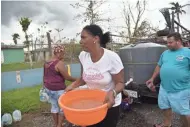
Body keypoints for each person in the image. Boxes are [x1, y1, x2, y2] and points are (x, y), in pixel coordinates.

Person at [66, 24, 125, 127]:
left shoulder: (112, 57)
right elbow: (84, 77)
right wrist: (73, 86)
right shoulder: (83, 56)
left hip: (109, 105)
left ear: (96, 39)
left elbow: (120, 83)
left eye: (83, 37)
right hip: (91, 104)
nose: (80, 41)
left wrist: (113, 92)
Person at [146, 32, 190, 127]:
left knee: (183, 112)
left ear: (178, 42)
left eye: (170, 42)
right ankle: (167, 124)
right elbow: (159, 66)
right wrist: (152, 78)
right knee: (165, 107)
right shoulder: (165, 53)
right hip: (164, 88)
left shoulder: (187, 53)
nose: (168, 44)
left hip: (180, 89)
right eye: (167, 42)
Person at [43, 45, 76, 127]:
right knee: (63, 108)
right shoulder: (59, 63)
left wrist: (44, 86)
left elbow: (44, 76)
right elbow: (67, 77)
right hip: (58, 89)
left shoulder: (46, 62)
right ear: (59, 52)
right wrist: (78, 80)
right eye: (63, 53)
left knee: (54, 106)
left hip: (48, 88)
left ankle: (56, 124)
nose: (63, 55)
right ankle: (59, 125)